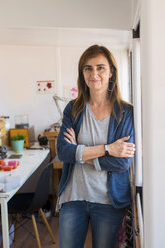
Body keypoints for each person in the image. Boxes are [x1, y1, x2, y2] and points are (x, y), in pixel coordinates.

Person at [57, 44, 135, 248]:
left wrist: (79, 153)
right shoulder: (73, 109)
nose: (94, 73)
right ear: (82, 73)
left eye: (100, 67)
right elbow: (64, 152)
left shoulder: (125, 112)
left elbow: (122, 163)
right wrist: (108, 148)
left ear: (111, 72)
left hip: (109, 201)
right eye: (88, 68)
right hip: (73, 197)